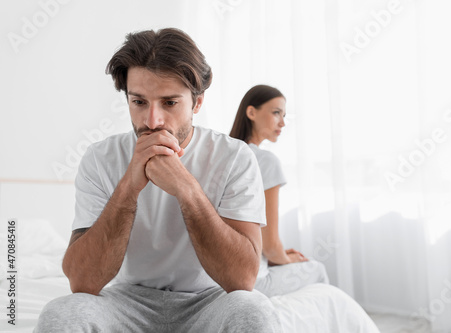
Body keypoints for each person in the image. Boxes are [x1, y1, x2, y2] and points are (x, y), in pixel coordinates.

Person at [34, 28, 282, 333]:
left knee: (254, 310)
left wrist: (186, 189)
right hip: (126, 302)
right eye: (139, 102)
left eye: (169, 103)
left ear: (198, 102)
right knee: (61, 313)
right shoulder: (100, 159)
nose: (152, 121)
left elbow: (242, 280)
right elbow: (82, 281)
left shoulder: (235, 157)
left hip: (210, 301)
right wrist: (129, 186)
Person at [229, 85, 329, 297]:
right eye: (276, 113)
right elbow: (270, 246)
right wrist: (284, 257)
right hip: (252, 280)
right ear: (251, 112)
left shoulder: (224, 155)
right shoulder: (265, 161)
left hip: (218, 275)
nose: (282, 123)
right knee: (317, 269)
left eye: (284, 115)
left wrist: (279, 255)